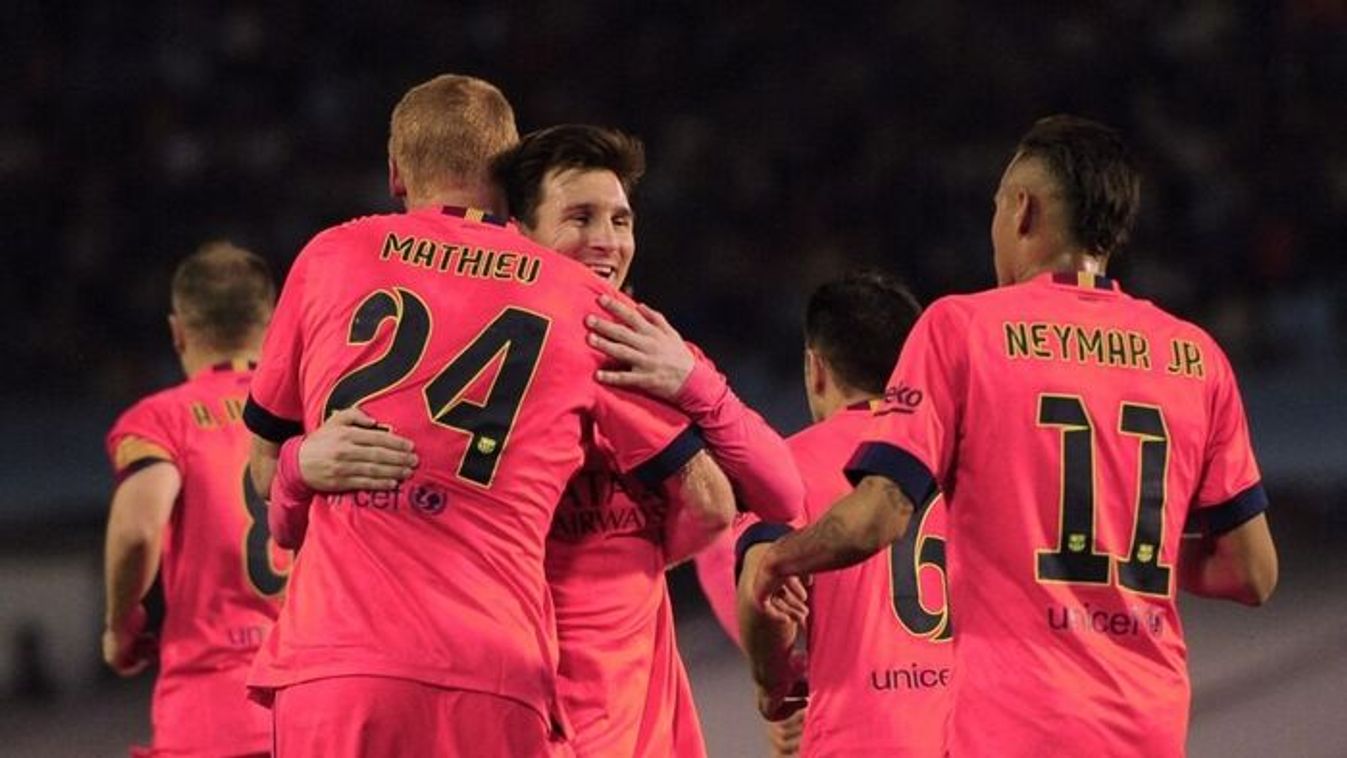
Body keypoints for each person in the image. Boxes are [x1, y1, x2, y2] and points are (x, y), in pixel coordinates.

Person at [751, 115, 1278, 757]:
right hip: (1148, 723)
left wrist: (780, 560)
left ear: (1022, 209)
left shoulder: (961, 329)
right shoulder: (1196, 357)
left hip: (1015, 722)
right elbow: (1253, 572)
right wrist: (1124, 554)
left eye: (996, 206)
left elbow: (880, 515)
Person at [241, 74, 732, 757]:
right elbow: (711, 499)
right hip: (495, 669)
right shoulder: (578, 299)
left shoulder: (330, 255)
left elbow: (266, 473)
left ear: (395, 172)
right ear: (510, 173)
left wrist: (300, 463)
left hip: (337, 662)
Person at [735, 271, 951, 757]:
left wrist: (773, 683)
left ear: (815, 368)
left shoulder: (786, 465)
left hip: (860, 739)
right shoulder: (965, 454)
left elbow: (761, 596)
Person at [103, 241, 287, 757]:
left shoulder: (164, 420)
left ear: (178, 331)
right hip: (316, 700)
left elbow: (138, 529)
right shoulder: (315, 411)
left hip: (211, 712)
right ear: (273, 325)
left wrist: (119, 627)